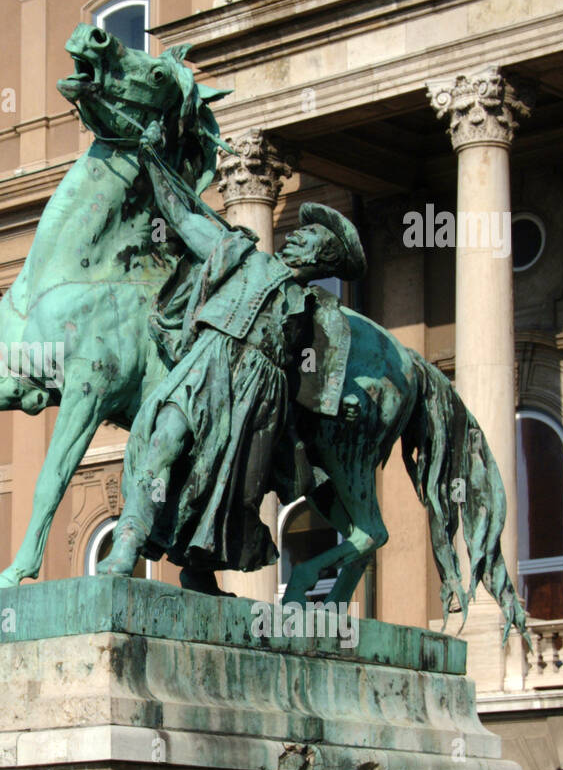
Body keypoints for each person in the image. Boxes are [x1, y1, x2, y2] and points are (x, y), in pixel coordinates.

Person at [97, 124, 366, 593]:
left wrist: (337, 407)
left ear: (323, 259)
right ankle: (127, 543)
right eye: (302, 234)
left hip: (259, 398)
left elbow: (313, 382)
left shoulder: (314, 314)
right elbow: (182, 216)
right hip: (208, 365)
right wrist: (151, 158)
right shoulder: (239, 255)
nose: (297, 238)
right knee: (165, 441)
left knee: (228, 491)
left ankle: (199, 569)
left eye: (312, 240)